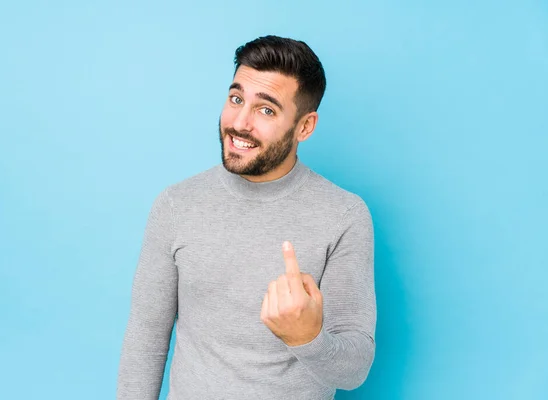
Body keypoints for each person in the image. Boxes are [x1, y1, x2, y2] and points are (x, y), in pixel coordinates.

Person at [117, 35, 376, 400]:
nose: (240, 123)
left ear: (305, 126)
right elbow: (145, 342)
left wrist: (306, 338)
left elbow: (355, 370)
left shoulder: (344, 216)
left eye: (266, 110)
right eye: (236, 99)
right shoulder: (176, 205)